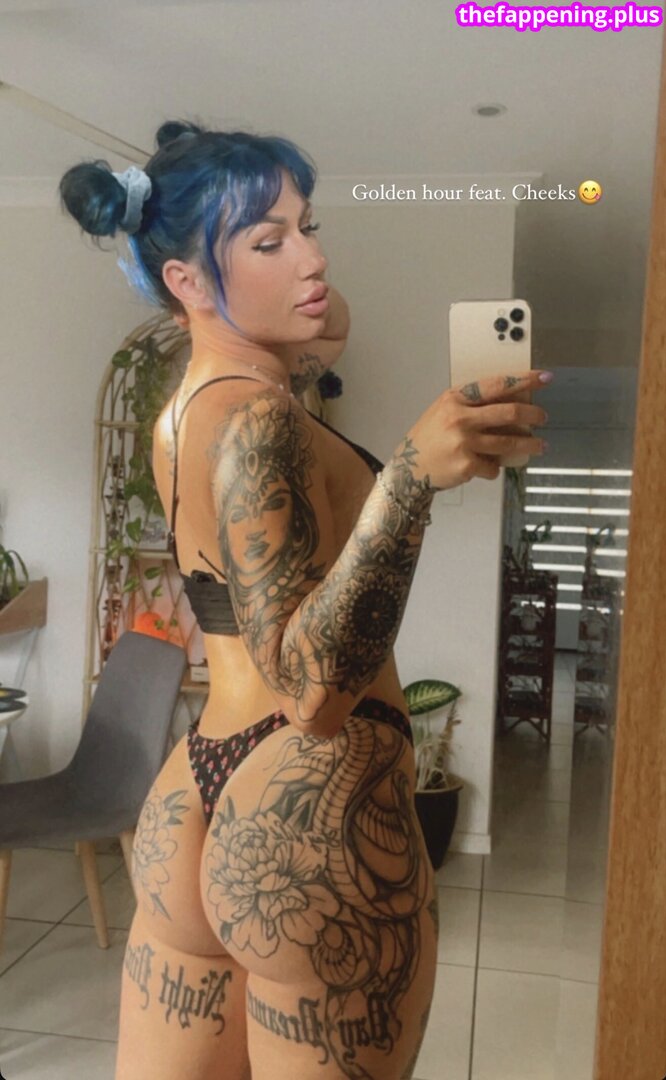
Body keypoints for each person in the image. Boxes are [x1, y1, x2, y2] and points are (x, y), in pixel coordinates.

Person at [59, 120, 550, 1080]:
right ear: (188, 282)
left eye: (309, 226)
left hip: (195, 795)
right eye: (268, 241)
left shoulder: (190, 403)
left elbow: (330, 319)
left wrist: (267, 250)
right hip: (308, 808)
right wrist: (409, 480)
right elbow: (313, 690)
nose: (314, 258)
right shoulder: (260, 422)